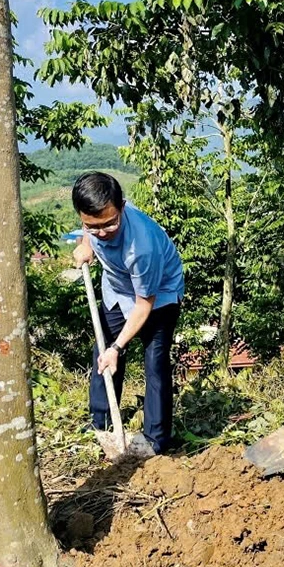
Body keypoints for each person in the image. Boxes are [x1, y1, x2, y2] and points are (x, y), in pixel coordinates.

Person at [71, 171, 185, 454]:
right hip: (116, 289)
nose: (102, 231)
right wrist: (86, 246)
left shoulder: (141, 248)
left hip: (157, 297)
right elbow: (89, 230)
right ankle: (102, 423)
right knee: (102, 353)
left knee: (155, 362)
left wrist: (118, 348)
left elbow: (143, 306)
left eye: (109, 224)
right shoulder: (95, 218)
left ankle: (155, 440)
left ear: (121, 207)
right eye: (92, 225)